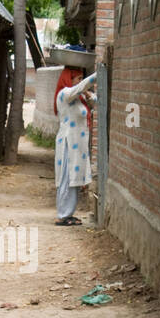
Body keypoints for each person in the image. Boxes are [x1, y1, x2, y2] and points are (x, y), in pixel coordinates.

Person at [53, 66, 96, 225]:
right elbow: (81, 87)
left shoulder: (79, 98)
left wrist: (88, 95)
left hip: (79, 144)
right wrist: (99, 73)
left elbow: (96, 101)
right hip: (68, 143)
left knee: (75, 179)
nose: (79, 82)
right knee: (66, 177)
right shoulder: (64, 94)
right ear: (68, 79)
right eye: (77, 78)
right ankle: (62, 215)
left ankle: (68, 213)